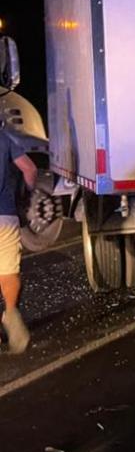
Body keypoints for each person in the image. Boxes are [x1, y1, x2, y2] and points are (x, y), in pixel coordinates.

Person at [1, 132, 37, 354]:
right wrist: (27, 193)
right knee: (7, 271)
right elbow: (29, 169)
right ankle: (11, 312)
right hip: (4, 215)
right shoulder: (5, 138)